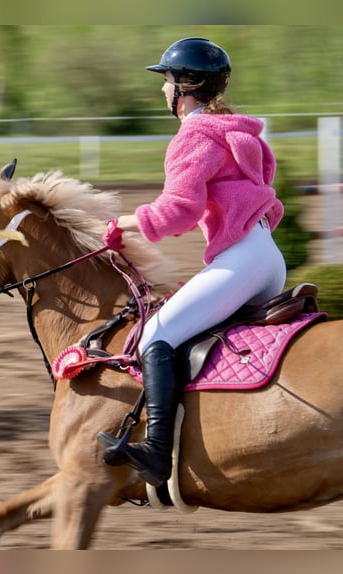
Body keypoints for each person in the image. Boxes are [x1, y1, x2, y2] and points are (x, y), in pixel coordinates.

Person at [96, 37, 287, 487]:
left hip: (242, 260)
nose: (163, 89)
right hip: (267, 258)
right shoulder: (240, 134)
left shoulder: (194, 137)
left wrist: (121, 223)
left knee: (155, 336)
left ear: (185, 86)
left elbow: (177, 213)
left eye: (166, 80)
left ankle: (158, 454)